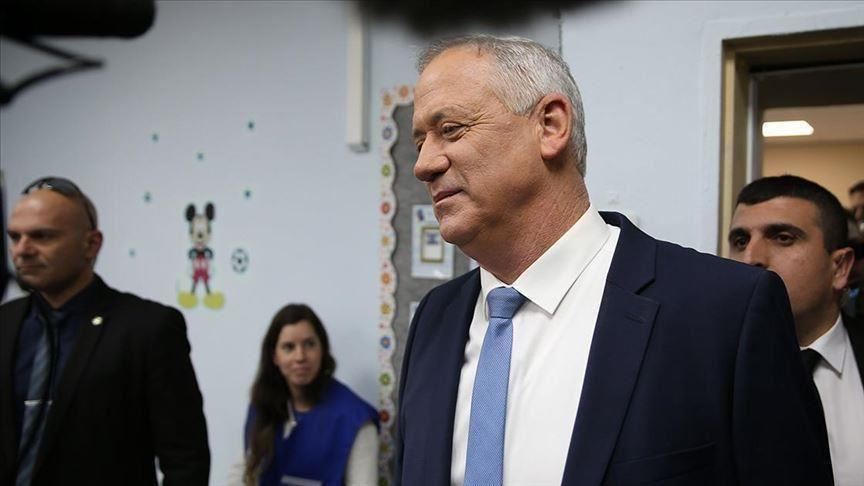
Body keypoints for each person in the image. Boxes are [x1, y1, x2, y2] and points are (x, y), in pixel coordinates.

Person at [396, 35, 831, 485]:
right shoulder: (436, 318)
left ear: (550, 125)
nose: (423, 165)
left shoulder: (725, 312)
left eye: (451, 129)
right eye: (420, 141)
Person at [0, 176, 210, 485]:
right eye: (14, 237)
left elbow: (186, 460)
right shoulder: (5, 322)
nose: (22, 250)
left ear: (91, 244)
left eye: (42, 236)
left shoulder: (147, 328)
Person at [728, 175, 863, 486]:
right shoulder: (701, 369)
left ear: (840, 267)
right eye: (740, 241)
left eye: (783, 238)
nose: (751, 258)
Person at [243, 304, 379, 486]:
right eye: (289, 347)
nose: (300, 356)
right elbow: (245, 472)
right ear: (275, 356)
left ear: (322, 350)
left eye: (309, 344)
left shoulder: (356, 420)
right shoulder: (262, 407)